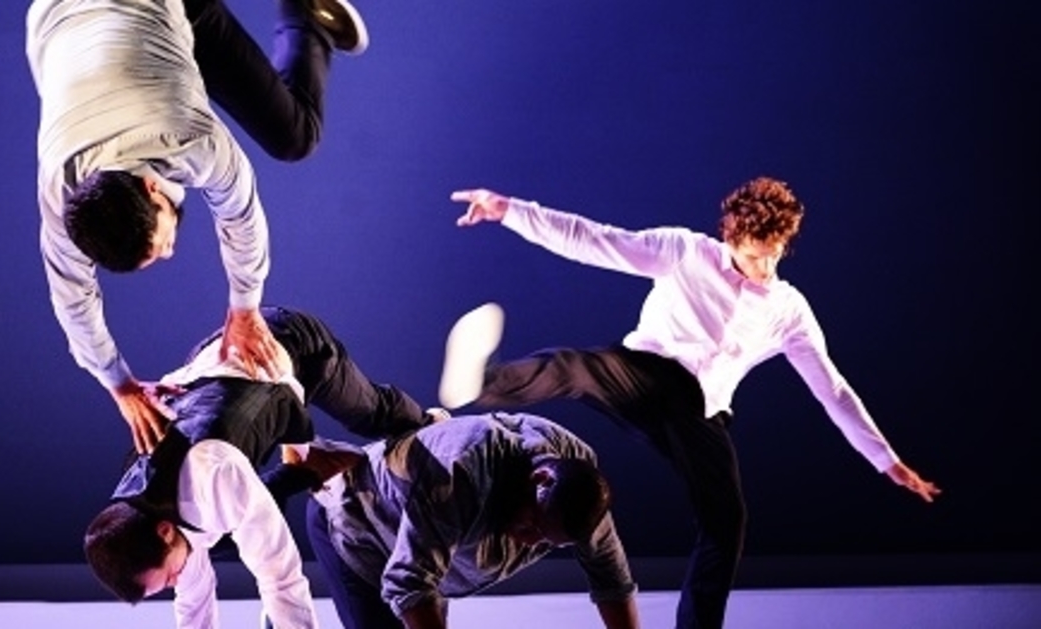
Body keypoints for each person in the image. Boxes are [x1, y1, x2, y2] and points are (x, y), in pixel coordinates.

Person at [442, 178, 941, 629]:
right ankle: (479, 383)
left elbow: (831, 388)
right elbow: (594, 240)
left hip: (699, 410)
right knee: (572, 367)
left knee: (728, 519)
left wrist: (886, 460)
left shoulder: (790, 310)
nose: (762, 269)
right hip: (642, 373)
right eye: (752, 256)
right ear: (730, 237)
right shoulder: (686, 251)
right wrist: (509, 210)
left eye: (772, 256)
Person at [25, 0, 368, 456]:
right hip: (61, 20)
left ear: (151, 188)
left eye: (160, 242)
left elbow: (239, 212)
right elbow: (73, 301)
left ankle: (304, 16)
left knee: (295, 137)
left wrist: (244, 309)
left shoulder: (186, 135)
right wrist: (120, 384)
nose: (170, 251)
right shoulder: (62, 192)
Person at [84, 305, 445, 628]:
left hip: (285, 345)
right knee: (215, 540)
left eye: (168, 579)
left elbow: (280, 573)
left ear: (164, 532)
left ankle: (432, 424)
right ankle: (306, 460)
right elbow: (194, 599)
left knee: (371, 414)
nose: (176, 582)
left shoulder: (214, 474)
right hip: (220, 375)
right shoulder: (141, 513)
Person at [306, 412, 641, 629]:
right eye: (532, 527)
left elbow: (611, 578)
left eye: (544, 542)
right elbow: (410, 584)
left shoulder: (580, 492)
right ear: (537, 480)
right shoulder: (458, 473)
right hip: (356, 523)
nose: (529, 542)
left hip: (428, 551)